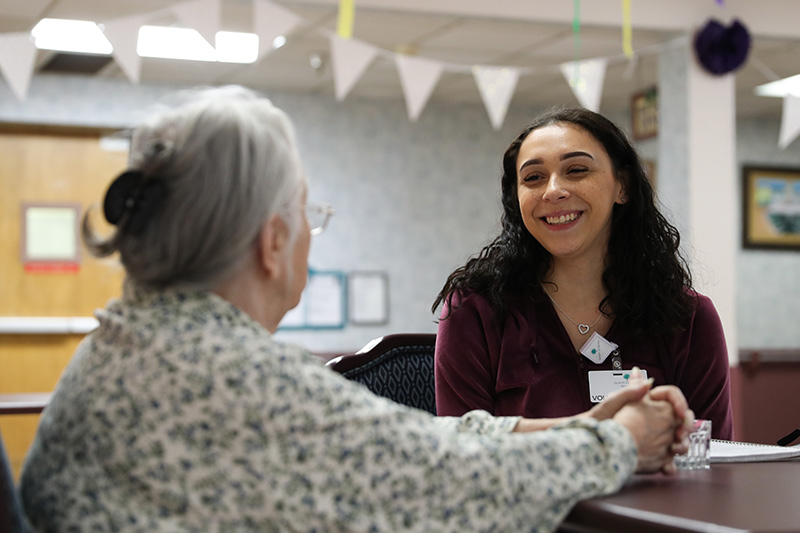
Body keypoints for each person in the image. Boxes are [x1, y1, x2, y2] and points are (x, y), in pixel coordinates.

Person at [21, 88, 692, 532]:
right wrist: (623, 440)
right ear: (272, 240)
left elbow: (416, 444)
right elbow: (451, 484)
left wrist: (573, 425)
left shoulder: (141, 342)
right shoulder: (228, 375)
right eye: (309, 213)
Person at [433, 107, 734, 440]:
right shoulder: (475, 310)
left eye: (576, 170)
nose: (553, 190)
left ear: (623, 186)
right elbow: (463, 455)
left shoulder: (688, 318)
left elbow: (714, 457)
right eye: (533, 178)